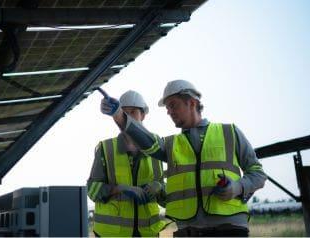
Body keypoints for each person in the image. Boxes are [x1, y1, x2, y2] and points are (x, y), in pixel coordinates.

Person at [100, 80, 267, 237]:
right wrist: (119, 116)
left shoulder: (229, 132)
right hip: (188, 230)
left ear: (192, 102)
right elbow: (147, 141)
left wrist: (237, 187)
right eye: (167, 109)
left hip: (229, 228)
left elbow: (257, 174)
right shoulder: (170, 144)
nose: (169, 112)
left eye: (173, 105)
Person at [87, 90, 167, 237]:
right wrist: (120, 189)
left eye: (133, 112)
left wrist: (160, 187)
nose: (128, 116)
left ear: (143, 115)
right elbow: (92, 190)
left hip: (147, 233)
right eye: (124, 112)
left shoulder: (156, 148)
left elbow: (167, 199)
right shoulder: (106, 149)